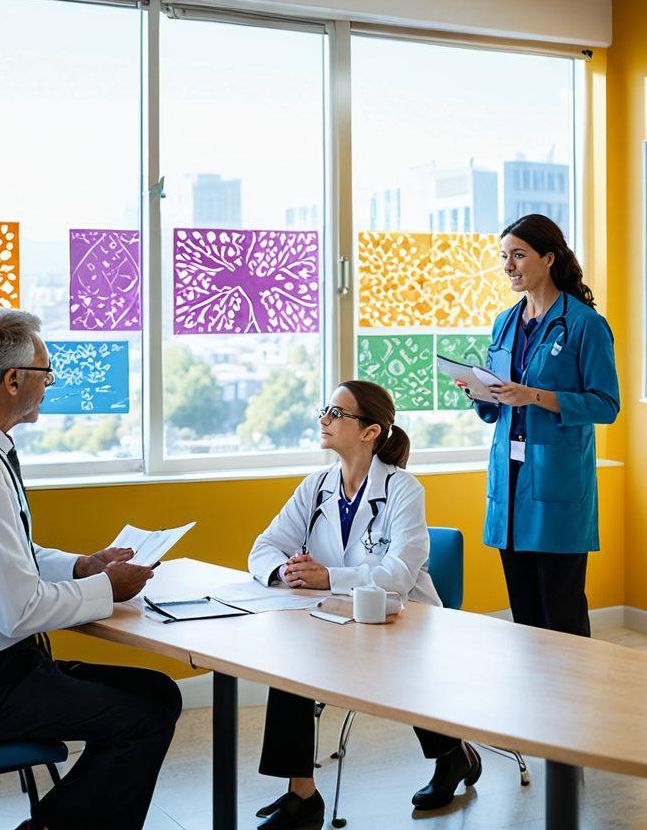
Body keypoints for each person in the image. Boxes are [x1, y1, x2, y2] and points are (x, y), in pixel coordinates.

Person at [0, 308, 180, 830]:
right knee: (145, 717)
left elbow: (8, 553)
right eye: (46, 373)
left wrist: (82, 565)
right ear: (13, 380)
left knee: (157, 693)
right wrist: (105, 588)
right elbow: (17, 610)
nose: (50, 384)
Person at [247, 380, 481, 830]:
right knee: (289, 666)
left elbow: (399, 575)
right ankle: (302, 794)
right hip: (332, 618)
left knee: (406, 666)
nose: (324, 420)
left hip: (402, 618)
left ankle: (453, 755)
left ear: (371, 431)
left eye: (337, 413)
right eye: (325, 411)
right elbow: (264, 547)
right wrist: (287, 571)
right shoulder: (316, 486)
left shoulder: (403, 489)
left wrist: (329, 577)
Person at [461, 214, 619, 637]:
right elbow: (498, 406)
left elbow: (606, 405)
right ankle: (532, 702)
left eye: (518, 255)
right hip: (509, 487)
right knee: (525, 618)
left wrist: (534, 396)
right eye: (504, 257)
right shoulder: (505, 323)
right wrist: (481, 393)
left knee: (562, 617)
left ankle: (573, 701)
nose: (508, 266)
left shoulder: (585, 324)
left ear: (548, 258)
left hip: (557, 489)